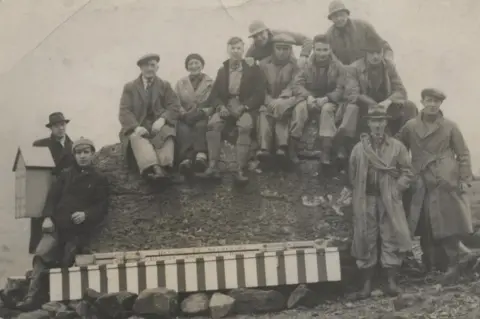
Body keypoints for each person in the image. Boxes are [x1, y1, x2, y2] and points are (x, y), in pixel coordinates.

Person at [16, 138, 109, 311]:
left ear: (92, 154)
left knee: (67, 260)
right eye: (79, 153)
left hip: (78, 231)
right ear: (74, 155)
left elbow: (101, 206)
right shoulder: (65, 175)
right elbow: (51, 198)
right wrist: (48, 217)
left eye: (86, 152)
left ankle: (61, 301)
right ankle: (31, 298)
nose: (82, 156)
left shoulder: (99, 178)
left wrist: (86, 214)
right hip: (57, 227)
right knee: (41, 255)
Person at [397, 88, 473, 282]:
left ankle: (456, 264)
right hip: (421, 179)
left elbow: (463, 154)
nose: (432, 105)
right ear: (421, 102)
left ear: (440, 105)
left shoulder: (450, 126)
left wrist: (464, 179)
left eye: (436, 102)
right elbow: (399, 148)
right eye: (429, 100)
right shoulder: (410, 126)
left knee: (448, 221)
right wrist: (404, 172)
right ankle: (431, 264)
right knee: (425, 223)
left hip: (444, 178)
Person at [349, 104, 413, 300]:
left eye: (381, 121)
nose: (377, 125)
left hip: (389, 198)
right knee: (365, 236)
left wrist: (397, 189)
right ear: (368, 123)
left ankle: (391, 283)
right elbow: (352, 174)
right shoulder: (360, 148)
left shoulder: (396, 146)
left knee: (391, 235)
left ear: (386, 123)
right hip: (366, 198)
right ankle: (366, 285)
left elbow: (408, 172)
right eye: (374, 121)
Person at [202, 36, 265, 183]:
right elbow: (215, 95)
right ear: (227, 50)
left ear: (243, 50)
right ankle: (212, 166)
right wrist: (220, 106)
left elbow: (259, 93)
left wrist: (245, 106)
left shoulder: (252, 68)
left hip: (246, 107)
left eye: (239, 48)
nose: (235, 51)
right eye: (232, 48)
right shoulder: (222, 70)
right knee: (213, 124)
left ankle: (239, 169)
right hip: (227, 105)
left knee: (245, 126)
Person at [290, 34, 358, 166]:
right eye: (319, 50)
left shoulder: (338, 66)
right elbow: (297, 84)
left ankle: (326, 151)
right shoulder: (306, 65)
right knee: (300, 109)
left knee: (327, 110)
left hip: (329, 99)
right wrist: (308, 96)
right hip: (310, 97)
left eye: (325, 50)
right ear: (314, 49)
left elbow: (340, 88)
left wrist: (327, 98)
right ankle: (292, 148)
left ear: (330, 50)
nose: (322, 53)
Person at [119, 53, 181, 182]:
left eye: (152, 65)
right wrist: (136, 127)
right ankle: (155, 168)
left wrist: (163, 119)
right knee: (137, 138)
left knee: (167, 133)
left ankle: (166, 167)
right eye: (145, 66)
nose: (149, 69)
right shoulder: (130, 87)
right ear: (140, 68)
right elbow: (124, 110)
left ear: (157, 67)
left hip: (158, 126)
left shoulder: (164, 85)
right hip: (139, 125)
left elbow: (174, 105)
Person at [349, 37, 418, 137]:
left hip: (386, 107)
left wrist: (387, 102)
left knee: (410, 106)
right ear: (366, 54)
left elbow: (401, 90)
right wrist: (372, 104)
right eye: (371, 53)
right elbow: (353, 93)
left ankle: (403, 141)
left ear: (383, 52)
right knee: (351, 109)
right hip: (364, 108)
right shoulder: (354, 68)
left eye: (378, 53)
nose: (375, 56)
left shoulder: (389, 65)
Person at [29, 112, 75, 254]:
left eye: (62, 125)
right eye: (56, 126)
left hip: (63, 193)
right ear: (51, 128)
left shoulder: (73, 147)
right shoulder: (41, 145)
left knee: (61, 232)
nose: (60, 128)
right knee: (41, 230)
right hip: (44, 191)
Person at [256, 33, 301, 166]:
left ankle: (282, 147)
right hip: (268, 99)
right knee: (264, 113)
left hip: (286, 100)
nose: (282, 52)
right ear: (273, 49)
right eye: (279, 48)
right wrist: (268, 99)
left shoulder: (295, 65)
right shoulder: (263, 64)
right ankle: (264, 148)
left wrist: (282, 99)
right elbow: (260, 86)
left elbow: (295, 84)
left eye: (286, 49)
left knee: (282, 112)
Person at [174, 53, 213, 175]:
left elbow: (214, 101)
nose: (194, 66)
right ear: (187, 67)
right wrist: (183, 114)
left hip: (202, 115)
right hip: (186, 116)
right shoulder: (180, 83)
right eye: (191, 63)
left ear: (202, 65)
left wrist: (203, 112)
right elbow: (175, 102)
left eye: (197, 63)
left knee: (201, 126)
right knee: (183, 129)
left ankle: (201, 156)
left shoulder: (210, 82)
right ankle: (186, 159)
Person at [325, 0, 393, 66]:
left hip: (367, 71)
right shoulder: (329, 36)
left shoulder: (363, 27)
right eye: (335, 16)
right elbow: (326, 58)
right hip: (345, 74)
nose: (339, 18)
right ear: (331, 18)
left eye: (341, 14)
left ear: (347, 14)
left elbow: (383, 45)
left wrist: (388, 60)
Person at [246, 20, 312, 67]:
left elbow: (307, 40)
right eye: (255, 36)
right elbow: (246, 62)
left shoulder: (280, 34)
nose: (259, 38)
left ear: (267, 31)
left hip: (290, 67)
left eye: (261, 33)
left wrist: (303, 56)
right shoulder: (253, 50)